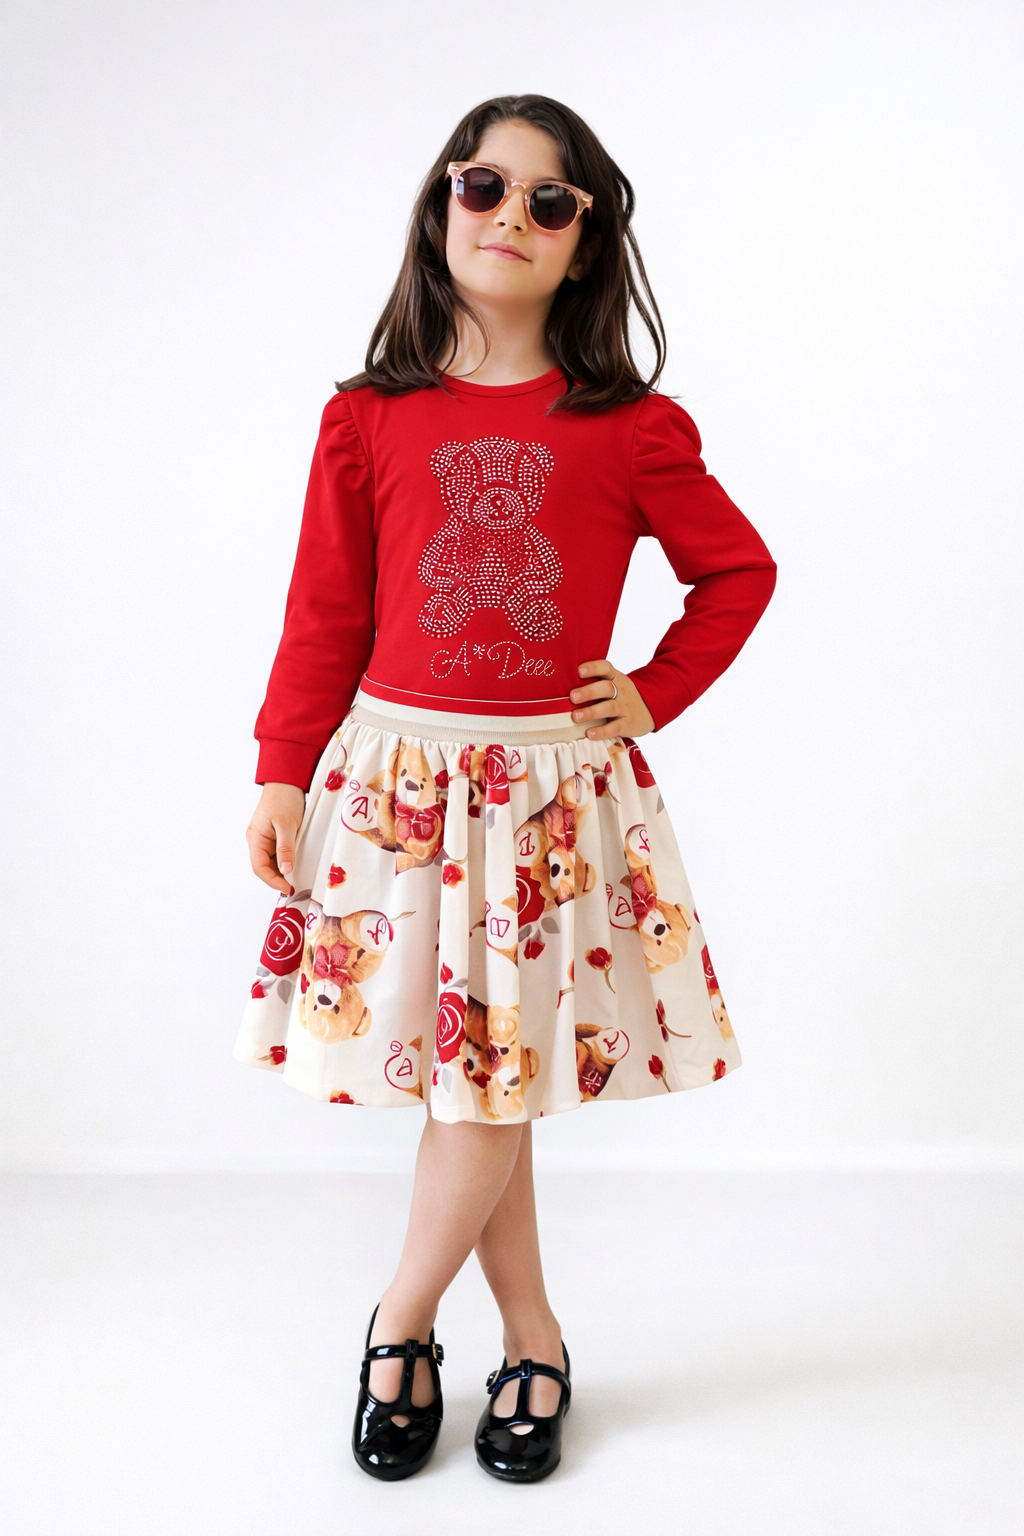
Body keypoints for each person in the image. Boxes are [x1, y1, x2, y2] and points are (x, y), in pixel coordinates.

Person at [235, 93, 776, 1484]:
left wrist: (654, 688)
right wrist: (283, 769)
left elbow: (738, 571)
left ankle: (401, 1321)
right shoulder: (367, 418)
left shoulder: (631, 427)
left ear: (587, 241)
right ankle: (532, 1336)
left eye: (551, 201)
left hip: (545, 805)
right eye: (483, 186)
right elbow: (324, 614)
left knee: (486, 1081)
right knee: (489, 1079)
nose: (511, 218)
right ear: (440, 208)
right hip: (400, 789)